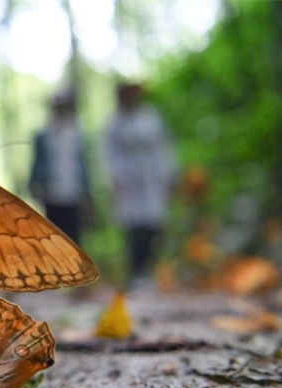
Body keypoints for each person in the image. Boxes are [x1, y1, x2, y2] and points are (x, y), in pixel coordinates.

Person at [105, 82, 177, 283]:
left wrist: (169, 174)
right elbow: (109, 154)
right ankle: (135, 271)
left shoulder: (151, 117)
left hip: (153, 177)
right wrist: (114, 179)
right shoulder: (113, 122)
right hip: (128, 181)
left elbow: (164, 146)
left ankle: (149, 269)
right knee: (133, 227)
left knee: (155, 223)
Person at [28, 89, 90, 244]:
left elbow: (83, 165)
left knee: (74, 236)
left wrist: (87, 193)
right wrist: (35, 184)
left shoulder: (77, 134)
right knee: (54, 234)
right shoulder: (44, 135)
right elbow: (37, 161)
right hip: (52, 194)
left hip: (73, 193)